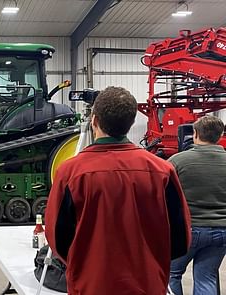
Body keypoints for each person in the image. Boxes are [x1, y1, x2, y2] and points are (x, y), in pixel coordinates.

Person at [44, 86, 191, 295]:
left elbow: (58, 238)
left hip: (91, 285)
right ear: (131, 123)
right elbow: (180, 240)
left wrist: (85, 261)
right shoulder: (162, 171)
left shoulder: (70, 172)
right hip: (147, 285)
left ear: (94, 120)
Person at [168, 115, 226, 295]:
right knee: (206, 276)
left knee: (172, 274)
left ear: (195, 134)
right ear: (220, 135)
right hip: (222, 230)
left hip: (188, 230)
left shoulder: (177, 161)